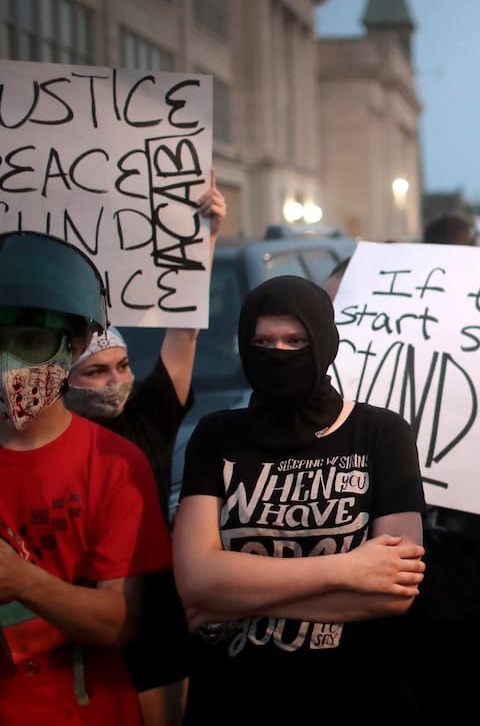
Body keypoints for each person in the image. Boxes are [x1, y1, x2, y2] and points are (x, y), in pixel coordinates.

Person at [172, 275, 427, 722]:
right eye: (264, 341)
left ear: (325, 343)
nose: (280, 354)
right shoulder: (216, 435)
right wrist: (347, 569)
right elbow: (195, 579)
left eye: (296, 340)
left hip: (357, 696)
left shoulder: (381, 432)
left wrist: (230, 598)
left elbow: (395, 592)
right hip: (234, 700)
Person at [327, 213, 480, 725]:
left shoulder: (472, 383)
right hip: (369, 620)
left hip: (473, 604)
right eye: (330, 317)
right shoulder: (304, 411)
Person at [63, 182, 224, 724]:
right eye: (96, 371)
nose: (114, 381)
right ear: (62, 379)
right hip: (71, 610)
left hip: (152, 606)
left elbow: (184, 332)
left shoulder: (149, 415)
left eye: (123, 367)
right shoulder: (37, 434)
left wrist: (203, 239)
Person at [0, 231, 172, 724]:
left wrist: (22, 581)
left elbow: (119, 623)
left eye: (30, 340)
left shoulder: (115, 464)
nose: (10, 360)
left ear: (73, 345)